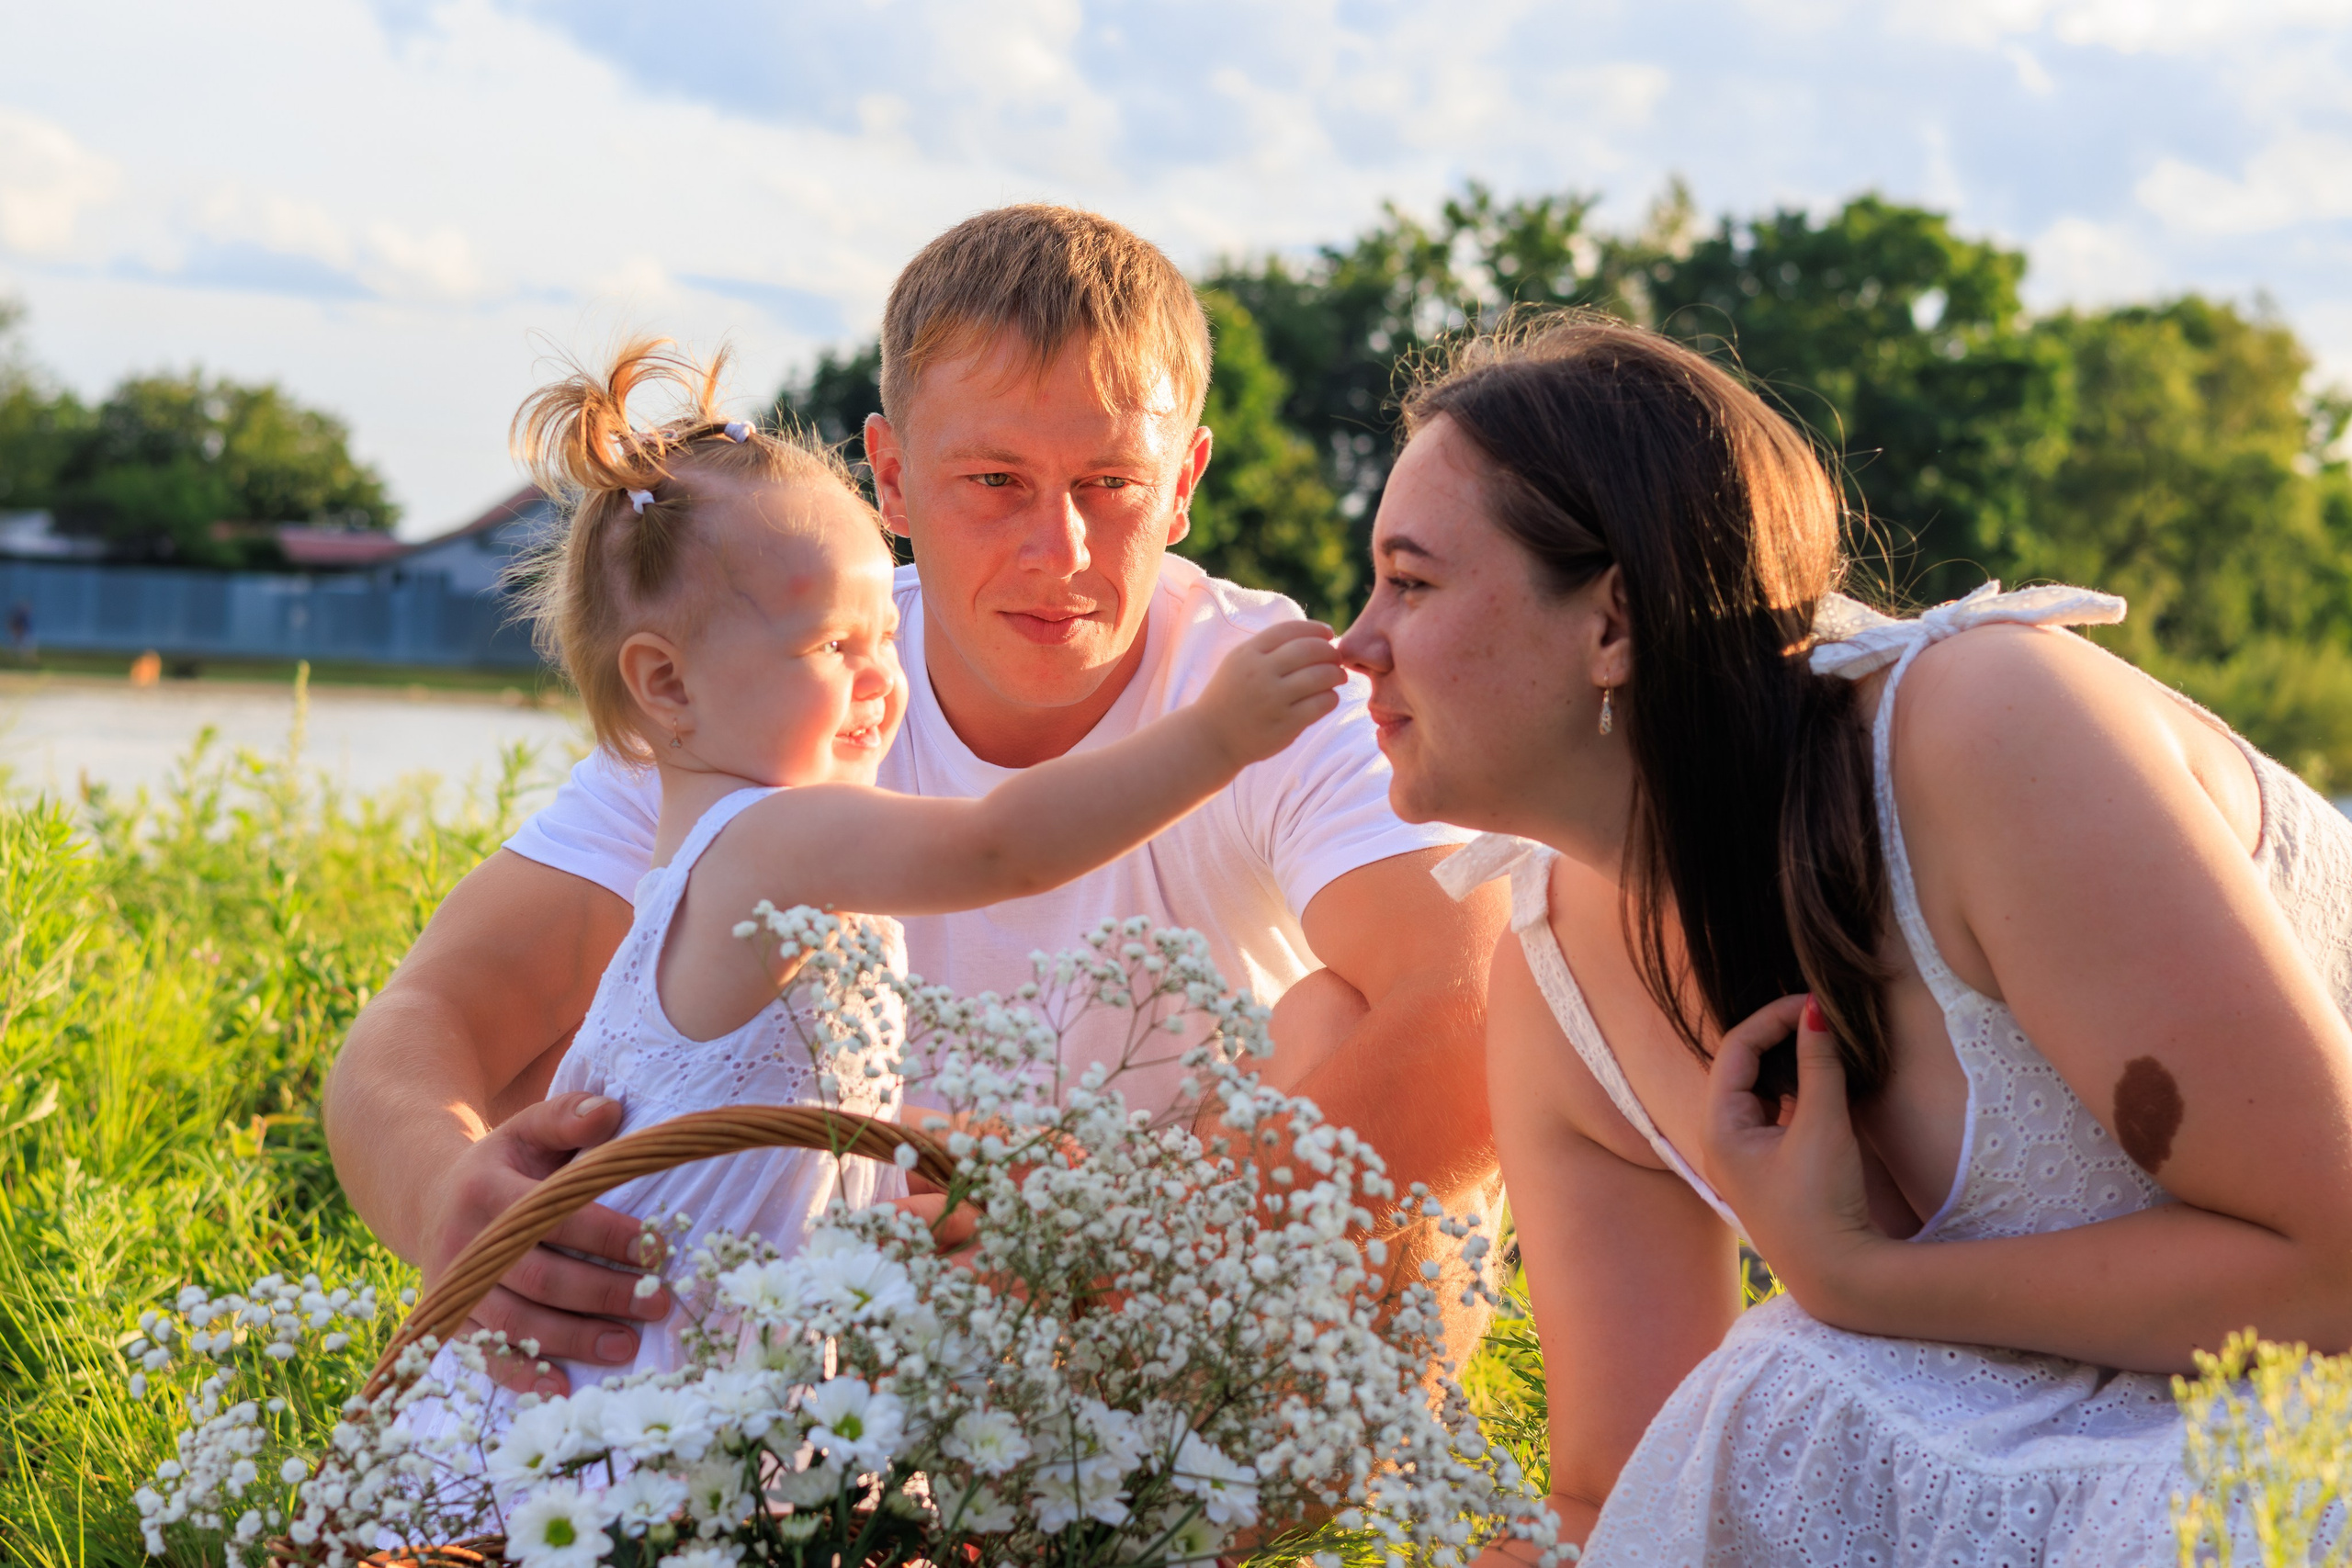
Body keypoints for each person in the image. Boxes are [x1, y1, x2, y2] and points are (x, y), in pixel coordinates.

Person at [323, 205, 1506, 1396]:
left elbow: (1474, 1012)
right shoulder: (768, 684)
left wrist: (1091, 1235)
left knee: (1345, 1006)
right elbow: (435, 1013)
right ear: (890, 473)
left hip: (1192, 1332)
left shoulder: (1269, 689)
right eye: (994, 479)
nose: (1060, 547)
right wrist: (447, 1190)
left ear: (1185, 479)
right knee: (566, 1075)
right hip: (836, 1336)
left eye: (1110, 483)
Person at [1335, 312, 2352, 1563]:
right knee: (1760, 1413)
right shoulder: (1554, 983)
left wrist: (1858, 1279)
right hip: (2089, 1479)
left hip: (2304, 1439)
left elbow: (2333, 1268)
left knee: (1785, 1384)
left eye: (1411, 581)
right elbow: (1618, 1498)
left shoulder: (1979, 730)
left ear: (1614, 623)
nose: (1354, 643)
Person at [456, 339, 1343, 1391]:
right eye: (833, 648)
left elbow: (781, 1105)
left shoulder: (726, 854)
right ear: (668, 686)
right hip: (665, 1369)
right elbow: (1000, 847)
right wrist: (1216, 739)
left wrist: (933, 1145)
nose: (883, 675)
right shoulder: (774, 839)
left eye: (885, 634)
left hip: (722, 1339)